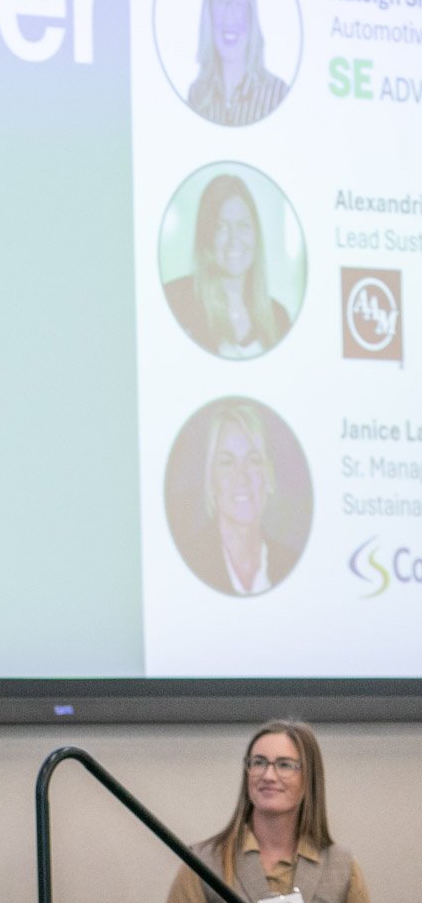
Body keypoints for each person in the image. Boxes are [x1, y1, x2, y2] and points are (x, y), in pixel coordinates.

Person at [166, 721, 371, 903]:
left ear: (309, 778)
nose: (268, 776)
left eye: (284, 765)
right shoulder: (203, 864)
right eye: (259, 762)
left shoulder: (342, 868)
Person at [178, 401, 300, 596]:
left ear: (268, 479)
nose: (241, 477)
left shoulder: (292, 564)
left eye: (253, 460)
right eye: (227, 463)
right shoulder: (186, 563)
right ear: (211, 482)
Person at [164, 174, 291, 358]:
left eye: (243, 226)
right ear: (206, 236)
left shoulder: (279, 318)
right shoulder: (177, 302)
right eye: (221, 227)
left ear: (256, 234)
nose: (234, 241)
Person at [187, 0, 289, 126]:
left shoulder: (278, 96)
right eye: (220, 1)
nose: (229, 17)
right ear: (208, 9)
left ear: (251, 9)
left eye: (238, 2)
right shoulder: (196, 95)